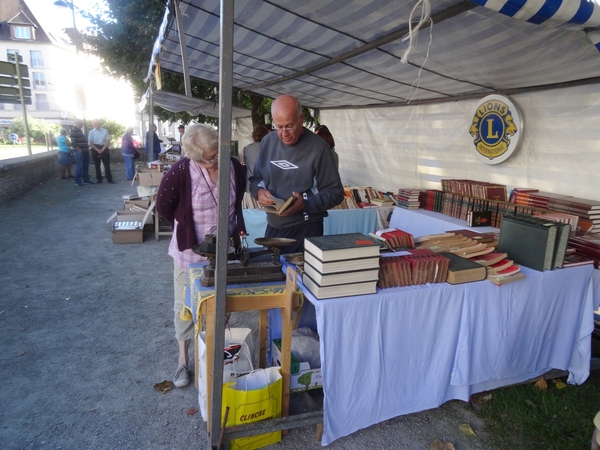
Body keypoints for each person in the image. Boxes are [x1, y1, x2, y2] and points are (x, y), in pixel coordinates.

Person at [155, 123, 247, 388]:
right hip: (189, 252)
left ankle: (218, 353)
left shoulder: (232, 166)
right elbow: (163, 206)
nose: (216, 159)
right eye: (209, 157)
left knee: (221, 302)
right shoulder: (181, 171)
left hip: (222, 251)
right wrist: (184, 224)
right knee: (184, 306)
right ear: (194, 157)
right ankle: (183, 361)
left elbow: (238, 196)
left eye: (217, 152)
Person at [249, 95, 344, 253]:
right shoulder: (267, 142)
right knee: (273, 273)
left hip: (306, 229)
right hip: (274, 228)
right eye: (278, 127)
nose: (284, 133)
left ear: (301, 119)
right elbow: (256, 179)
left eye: (289, 126)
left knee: (300, 277)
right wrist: (258, 192)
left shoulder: (319, 149)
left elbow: (335, 193)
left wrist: (306, 205)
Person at [241, 124, 270, 190]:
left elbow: (245, 163)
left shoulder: (247, 148)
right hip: (266, 188)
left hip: (250, 186)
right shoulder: (269, 147)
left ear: (253, 136)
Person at [88, 119, 114, 184]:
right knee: (97, 165)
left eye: (97, 123)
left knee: (107, 164)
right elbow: (90, 142)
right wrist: (97, 150)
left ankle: (109, 179)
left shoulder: (105, 131)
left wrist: (103, 149)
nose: (96, 124)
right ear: (93, 124)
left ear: (100, 124)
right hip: (95, 147)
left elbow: (108, 141)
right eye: (95, 123)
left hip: (104, 147)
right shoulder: (91, 132)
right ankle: (99, 179)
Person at [70, 119, 94, 186]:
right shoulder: (73, 131)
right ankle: (77, 181)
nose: (82, 125)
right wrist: (79, 150)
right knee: (79, 166)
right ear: (78, 123)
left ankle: (86, 180)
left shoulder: (79, 131)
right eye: (82, 124)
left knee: (85, 166)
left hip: (85, 151)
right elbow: (74, 143)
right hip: (80, 152)